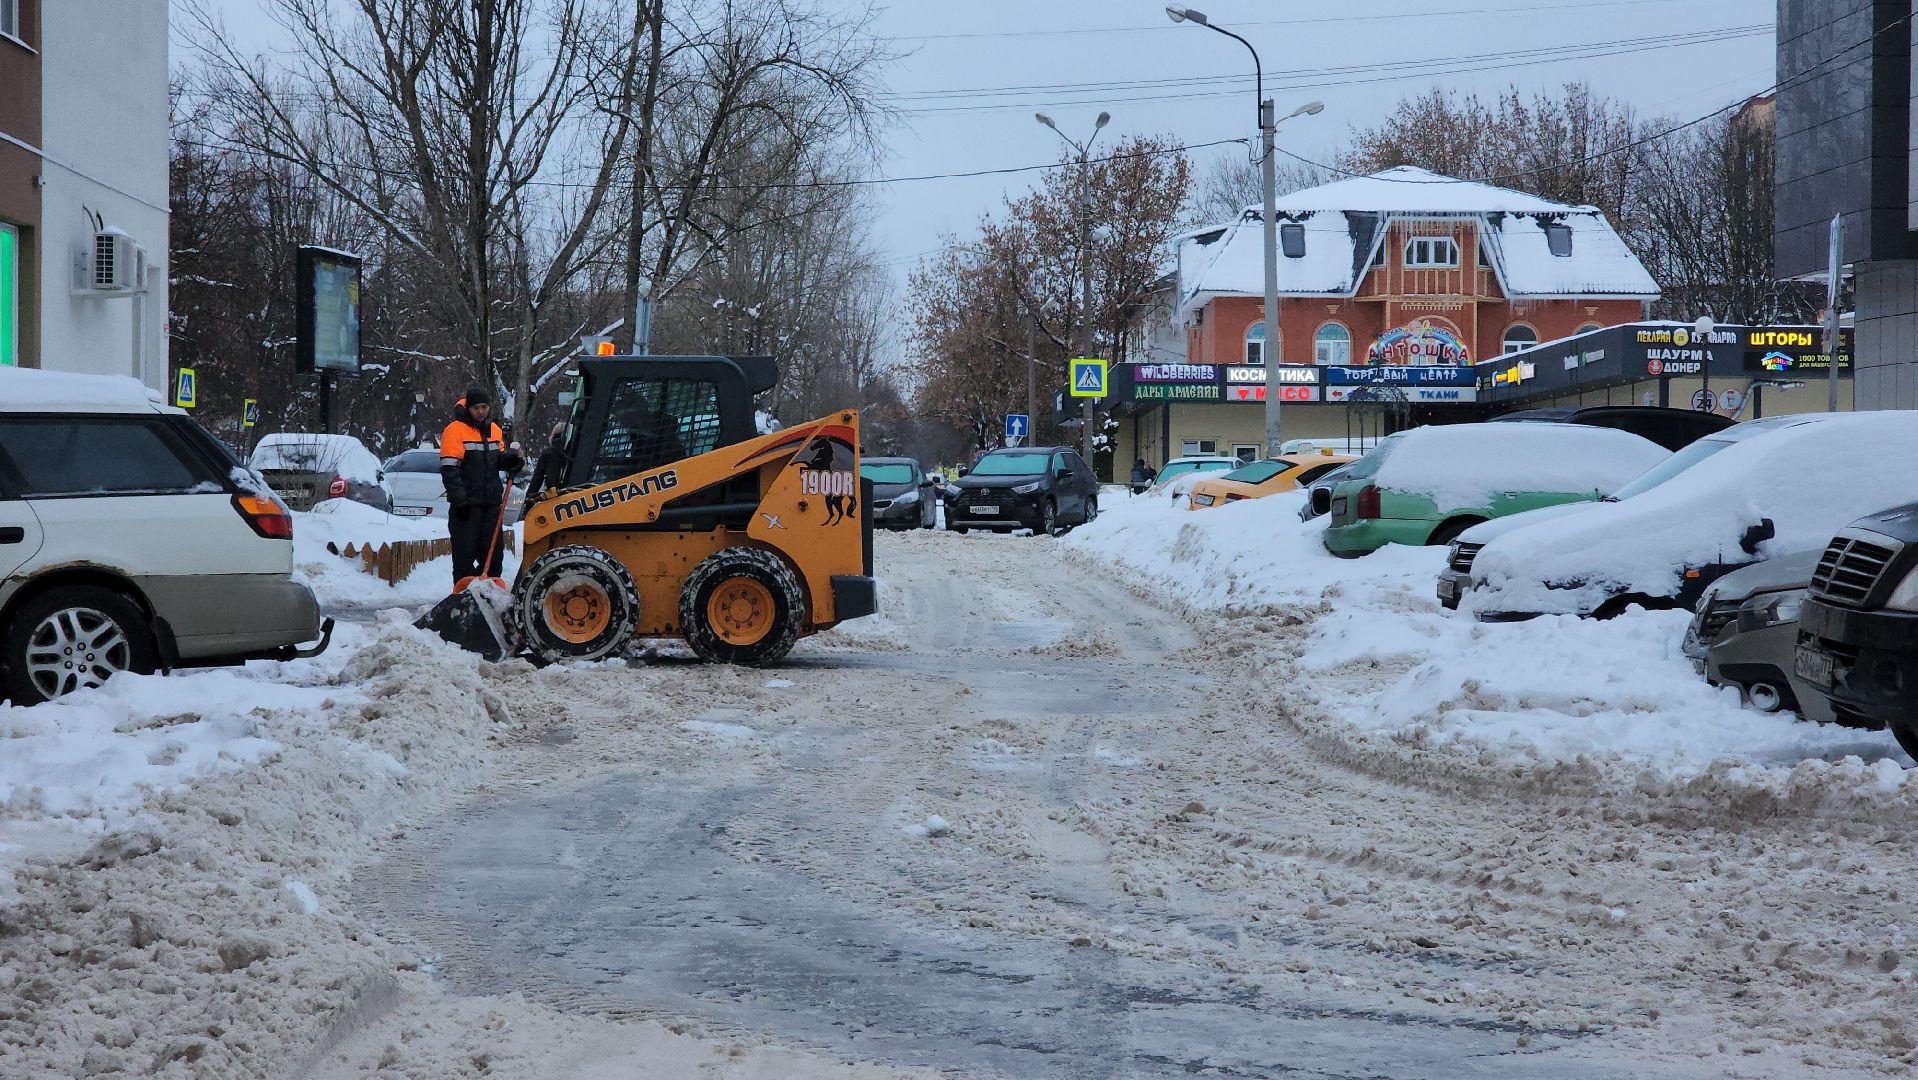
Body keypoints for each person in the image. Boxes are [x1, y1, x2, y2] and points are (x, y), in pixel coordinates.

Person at [439, 387, 523, 587]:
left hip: (491, 505)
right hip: (466, 506)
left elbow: (498, 459)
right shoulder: (455, 430)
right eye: (476, 407)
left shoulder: (494, 429)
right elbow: (450, 470)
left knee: (493, 559)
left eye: (484, 407)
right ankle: (464, 597)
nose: (481, 412)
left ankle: (488, 593)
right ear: (468, 408)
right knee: (464, 557)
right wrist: (460, 500)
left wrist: (510, 461)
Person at [527, 421, 571, 497]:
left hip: (553, 494)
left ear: (553, 435)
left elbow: (537, 478)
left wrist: (529, 497)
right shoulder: (572, 452)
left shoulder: (548, 453)